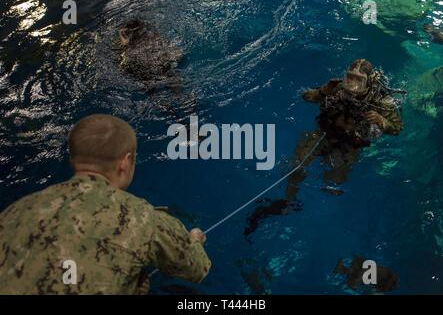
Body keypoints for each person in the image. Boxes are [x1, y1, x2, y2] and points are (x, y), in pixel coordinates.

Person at [0, 114, 211, 295]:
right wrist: (194, 240)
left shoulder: (13, 213)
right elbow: (196, 268)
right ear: (125, 162)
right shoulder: (143, 218)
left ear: (73, 159)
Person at [244, 59, 404, 239]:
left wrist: (381, 120)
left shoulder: (381, 100)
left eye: (358, 79)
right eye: (350, 77)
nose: (352, 83)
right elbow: (306, 97)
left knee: (333, 183)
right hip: (323, 133)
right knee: (297, 166)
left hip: (350, 143)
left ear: (368, 81)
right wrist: (323, 91)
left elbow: (397, 128)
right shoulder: (336, 87)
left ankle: (320, 219)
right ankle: (288, 200)